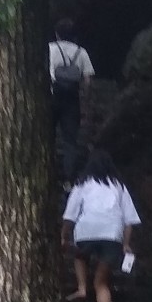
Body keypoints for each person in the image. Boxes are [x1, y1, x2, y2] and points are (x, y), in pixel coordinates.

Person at [62, 149, 139, 302]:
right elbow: (129, 220)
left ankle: (81, 288)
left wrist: (64, 237)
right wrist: (126, 244)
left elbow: (70, 216)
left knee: (80, 256)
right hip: (112, 233)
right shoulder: (119, 187)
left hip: (87, 230)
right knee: (102, 283)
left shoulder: (82, 185)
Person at [49, 17, 94, 185]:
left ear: (57, 34)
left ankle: (49, 175)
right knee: (70, 142)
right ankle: (68, 180)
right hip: (72, 100)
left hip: (52, 97)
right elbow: (88, 80)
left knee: (48, 137)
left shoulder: (50, 49)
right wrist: (86, 102)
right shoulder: (81, 52)